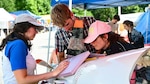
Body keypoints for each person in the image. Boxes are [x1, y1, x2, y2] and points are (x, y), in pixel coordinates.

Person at [0, 14, 69, 84]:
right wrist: (53, 73)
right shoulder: (18, 44)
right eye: (35, 28)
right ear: (25, 27)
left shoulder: (15, 43)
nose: (36, 32)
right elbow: (22, 80)